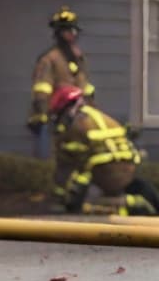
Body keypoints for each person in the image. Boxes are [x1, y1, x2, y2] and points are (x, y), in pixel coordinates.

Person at [48, 85, 157, 216]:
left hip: (103, 170)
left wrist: (61, 198)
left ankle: (116, 204)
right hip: (129, 166)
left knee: (82, 180)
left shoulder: (74, 127)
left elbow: (67, 164)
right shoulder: (98, 116)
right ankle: (130, 205)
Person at [27, 6, 97, 201]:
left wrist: (90, 106)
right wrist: (42, 114)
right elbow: (42, 88)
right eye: (67, 30)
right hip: (57, 116)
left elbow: (84, 85)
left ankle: (73, 195)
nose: (71, 34)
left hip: (80, 116)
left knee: (79, 155)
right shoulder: (50, 59)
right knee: (58, 157)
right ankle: (54, 196)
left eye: (73, 30)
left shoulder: (78, 56)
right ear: (58, 33)